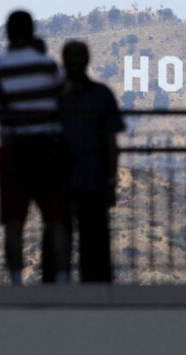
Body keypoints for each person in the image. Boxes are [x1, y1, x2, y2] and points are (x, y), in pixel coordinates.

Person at [0, 11, 70, 285]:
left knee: (14, 221)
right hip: (47, 148)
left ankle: (16, 280)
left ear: (7, 33)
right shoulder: (48, 66)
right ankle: (63, 278)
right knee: (55, 218)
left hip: (14, 148)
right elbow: (64, 95)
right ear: (32, 32)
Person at [60, 41, 125, 283]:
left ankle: (62, 286)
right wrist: (111, 179)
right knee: (88, 238)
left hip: (79, 178)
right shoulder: (101, 95)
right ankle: (92, 288)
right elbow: (111, 142)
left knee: (76, 236)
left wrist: (111, 179)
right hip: (82, 178)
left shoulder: (57, 97)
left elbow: (111, 142)